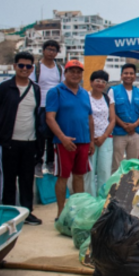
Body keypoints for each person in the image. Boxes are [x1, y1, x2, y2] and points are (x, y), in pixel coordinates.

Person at [0, 51, 42, 225]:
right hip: (9, 142)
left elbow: (36, 113)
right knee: (9, 180)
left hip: (29, 142)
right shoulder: (4, 87)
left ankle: (27, 212)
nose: (24, 69)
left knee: (27, 179)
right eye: (21, 65)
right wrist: (3, 129)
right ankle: (9, 212)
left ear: (32, 68)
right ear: (15, 66)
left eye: (28, 66)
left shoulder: (35, 89)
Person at [45, 60, 94, 218]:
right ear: (65, 73)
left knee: (79, 176)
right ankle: (60, 212)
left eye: (78, 72)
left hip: (84, 141)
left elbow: (89, 118)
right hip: (63, 143)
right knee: (63, 177)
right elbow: (50, 118)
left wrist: (91, 141)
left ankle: (77, 209)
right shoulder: (56, 92)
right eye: (71, 71)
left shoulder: (85, 93)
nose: (75, 74)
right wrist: (62, 138)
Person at [29, 40, 64, 177]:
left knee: (52, 136)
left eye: (54, 50)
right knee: (39, 135)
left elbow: (62, 87)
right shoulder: (36, 68)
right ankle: (37, 162)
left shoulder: (59, 69)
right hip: (40, 105)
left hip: (54, 107)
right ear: (43, 50)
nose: (51, 52)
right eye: (49, 49)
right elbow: (32, 85)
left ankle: (50, 162)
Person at [108, 63, 139, 173]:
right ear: (121, 75)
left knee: (133, 165)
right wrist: (124, 125)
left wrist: (134, 125)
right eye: (125, 73)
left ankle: (131, 188)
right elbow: (112, 112)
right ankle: (115, 188)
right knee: (116, 164)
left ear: (135, 76)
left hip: (135, 132)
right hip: (119, 132)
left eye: (131, 73)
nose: (128, 75)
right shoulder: (113, 90)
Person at [84, 70, 115, 197]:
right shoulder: (85, 96)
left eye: (103, 81)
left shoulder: (108, 98)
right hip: (88, 139)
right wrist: (92, 139)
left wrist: (103, 136)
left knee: (104, 171)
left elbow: (112, 120)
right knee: (89, 173)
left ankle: (102, 201)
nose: (100, 84)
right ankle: (90, 199)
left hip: (106, 139)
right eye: (97, 81)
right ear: (91, 82)